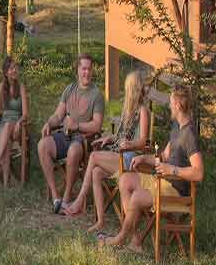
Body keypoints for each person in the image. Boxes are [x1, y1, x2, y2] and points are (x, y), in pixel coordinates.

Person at [101, 82, 205, 254]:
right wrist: (144, 158)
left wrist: (172, 170)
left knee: (135, 198)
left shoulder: (189, 135)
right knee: (125, 179)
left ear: (178, 105)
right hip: (163, 181)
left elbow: (199, 172)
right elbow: (163, 156)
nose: (170, 106)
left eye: (172, 102)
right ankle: (135, 241)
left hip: (177, 190)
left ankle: (119, 239)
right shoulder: (177, 127)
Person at [62, 69, 153, 226]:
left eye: (127, 88)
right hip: (120, 153)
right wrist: (109, 138)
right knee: (96, 172)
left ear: (133, 89)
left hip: (131, 159)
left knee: (94, 157)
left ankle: (78, 202)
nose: (126, 92)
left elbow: (144, 141)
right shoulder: (129, 112)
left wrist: (130, 144)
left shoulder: (143, 111)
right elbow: (120, 137)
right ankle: (101, 221)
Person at [38, 52, 105, 212]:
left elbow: (97, 125)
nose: (86, 72)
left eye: (89, 69)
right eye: (83, 69)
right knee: (42, 145)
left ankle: (66, 198)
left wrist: (77, 126)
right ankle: (55, 196)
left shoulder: (97, 95)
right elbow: (58, 115)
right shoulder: (69, 89)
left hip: (82, 139)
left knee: (74, 150)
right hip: (64, 135)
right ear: (78, 70)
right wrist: (49, 123)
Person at [0, 56, 29, 184]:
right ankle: (5, 184)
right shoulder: (1, 88)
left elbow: (25, 114)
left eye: (15, 67)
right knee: (7, 141)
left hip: (18, 128)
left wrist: (19, 122)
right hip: (3, 126)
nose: (14, 70)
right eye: (11, 68)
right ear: (5, 72)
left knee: (9, 125)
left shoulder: (21, 88)